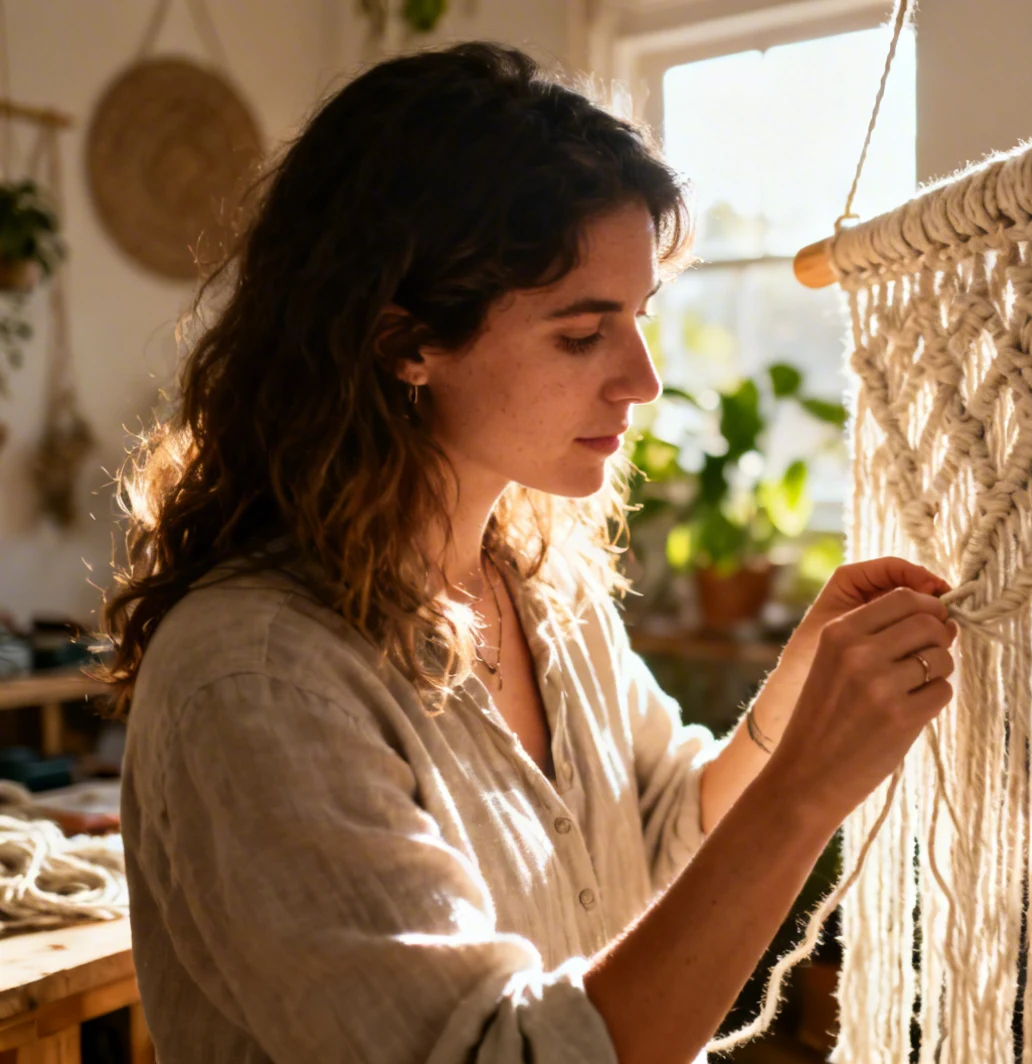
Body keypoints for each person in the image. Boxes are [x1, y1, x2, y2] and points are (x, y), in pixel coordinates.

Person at [104, 41, 958, 1064]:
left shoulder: (540, 588)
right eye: (581, 334)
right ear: (404, 344)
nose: (642, 379)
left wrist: (798, 690)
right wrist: (808, 787)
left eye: (638, 318)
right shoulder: (257, 677)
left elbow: (666, 830)